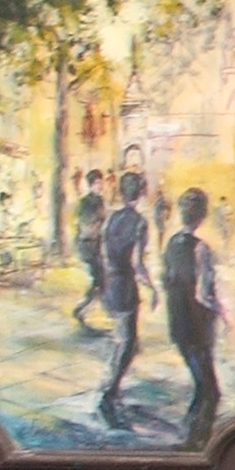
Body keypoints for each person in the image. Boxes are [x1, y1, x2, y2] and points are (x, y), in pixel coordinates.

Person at [162, 187, 226, 447]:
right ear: (202, 216)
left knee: (202, 384)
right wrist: (222, 313)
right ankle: (195, 442)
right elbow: (204, 294)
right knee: (212, 391)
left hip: (178, 324)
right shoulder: (201, 249)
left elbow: (167, 279)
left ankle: (190, 431)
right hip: (197, 326)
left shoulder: (171, 243)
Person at [95, 171, 153, 428]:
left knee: (122, 338)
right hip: (126, 284)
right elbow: (138, 263)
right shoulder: (139, 222)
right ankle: (109, 392)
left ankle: (111, 387)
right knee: (129, 342)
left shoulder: (111, 218)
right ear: (140, 193)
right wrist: (152, 287)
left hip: (110, 280)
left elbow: (103, 252)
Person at [70, 169, 108, 328]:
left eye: (101, 182)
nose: (101, 185)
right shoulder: (85, 202)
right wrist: (99, 226)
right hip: (87, 245)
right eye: (98, 183)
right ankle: (83, 308)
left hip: (96, 245)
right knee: (100, 279)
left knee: (101, 279)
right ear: (91, 184)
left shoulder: (100, 200)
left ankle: (86, 308)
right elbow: (86, 225)